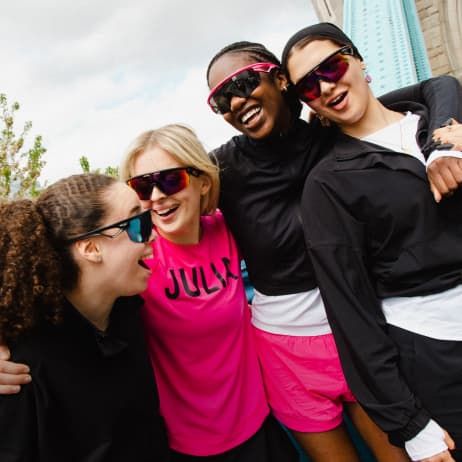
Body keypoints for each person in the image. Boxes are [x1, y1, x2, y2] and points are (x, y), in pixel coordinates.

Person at [204, 39, 462, 462]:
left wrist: (445, 142)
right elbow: (167, 198)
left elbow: (432, 88)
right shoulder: (223, 170)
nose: (235, 102)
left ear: (281, 79)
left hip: (363, 334)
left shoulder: (331, 135)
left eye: (243, 82)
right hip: (286, 347)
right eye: (220, 101)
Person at [281, 22, 462, 462]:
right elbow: (350, 312)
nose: (325, 86)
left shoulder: (438, 122)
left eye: (332, 66)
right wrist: (409, 424)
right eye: (308, 86)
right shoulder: (326, 186)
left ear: (359, 60)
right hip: (435, 356)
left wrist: (447, 145)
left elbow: (441, 85)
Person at [120, 124, 298, 461]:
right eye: (143, 187)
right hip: (188, 448)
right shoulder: (137, 259)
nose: (157, 196)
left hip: (260, 430)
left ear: (202, 181)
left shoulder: (228, 228)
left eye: (170, 180)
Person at [0, 173, 170, 461]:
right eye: (137, 224)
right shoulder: (22, 371)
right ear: (91, 248)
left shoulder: (128, 311)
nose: (152, 233)